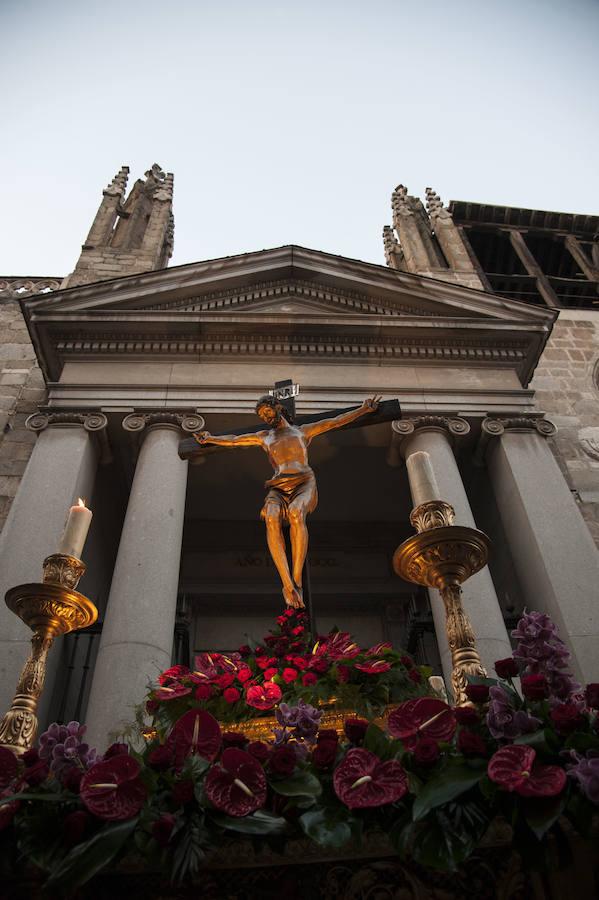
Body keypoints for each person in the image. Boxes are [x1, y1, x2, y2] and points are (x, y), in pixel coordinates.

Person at [194, 395, 381, 608]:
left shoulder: (302, 431)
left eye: (267, 412)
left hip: (303, 481)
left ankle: (297, 579)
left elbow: (335, 421)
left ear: (278, 407)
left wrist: (364, 410)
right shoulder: (264, 436)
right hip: (278, 485)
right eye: (261, 415)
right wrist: (210, 439)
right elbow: (235, 440)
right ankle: (287, 583)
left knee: (295, 513)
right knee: (271, 517)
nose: (265, 417)